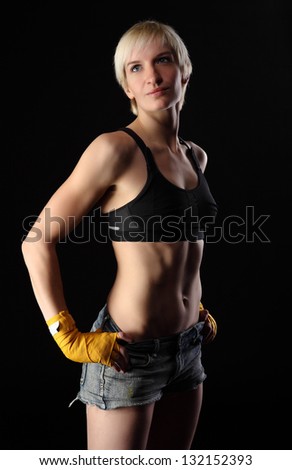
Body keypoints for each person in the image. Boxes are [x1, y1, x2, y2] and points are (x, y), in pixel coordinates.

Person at [22, 19, 218, 450]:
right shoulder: (115, 150)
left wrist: (195, 307)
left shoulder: (195, 156)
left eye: (162, 60)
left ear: (184, 70)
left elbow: (182, 248)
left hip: (188, 348)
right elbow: (36, 240)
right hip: (130, 354)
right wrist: (66, 334)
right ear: (127, 87)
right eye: (135, 67)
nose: (151, 75)